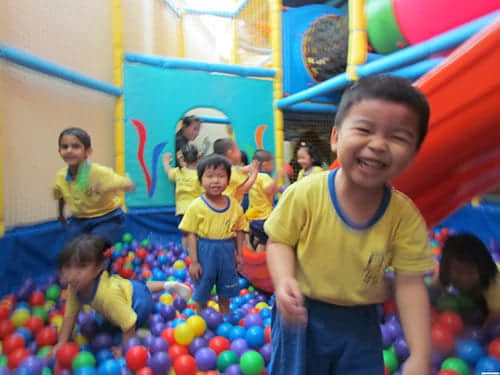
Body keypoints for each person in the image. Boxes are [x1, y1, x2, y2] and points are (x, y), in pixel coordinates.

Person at [264, 75, 435, 375]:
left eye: (398, 137)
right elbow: (279, 241)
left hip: (361, 322)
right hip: (304, 314)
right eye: (364, 129)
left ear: (413, 155)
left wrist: (420, 353)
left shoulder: (404, 217)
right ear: (335, 138)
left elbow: (410, 283)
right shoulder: (305, 194)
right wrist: (283, 281)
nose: (379, 144)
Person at [51, 234, 191, 358]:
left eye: (81, 267)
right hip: (128, 287)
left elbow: (129, 324)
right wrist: (61, 343)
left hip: (139, 304)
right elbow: (70, 315)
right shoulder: (75, 286)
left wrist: (123, 350)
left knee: (131, 308)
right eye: (68, 267)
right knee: (142, 287)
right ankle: (168, 285)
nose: (73, 273)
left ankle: (143, 332)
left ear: (99, 267)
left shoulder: (107, 295)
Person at [179, 154, 248, 314]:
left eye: (221, 176)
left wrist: (239, 254)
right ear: (201, 180)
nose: (215, 181)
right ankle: (200, 318)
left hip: (226, 251)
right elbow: (190, 234)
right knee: (202, 290)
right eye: (209, 176)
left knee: (225, 290)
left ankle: (224, 316)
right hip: (205, 250)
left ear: (228, 180)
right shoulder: (196, 206)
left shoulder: (234, 206)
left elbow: (239, 231)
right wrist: (194, 262)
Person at [53, 127, 135, 244]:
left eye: (76, 146)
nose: (69, 150)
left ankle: (106, 260)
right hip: (79, 219)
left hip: (108, 217)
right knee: (74, 247)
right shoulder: (61, 177)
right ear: (59, 151)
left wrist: (128, 183)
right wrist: (61, 215)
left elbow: (126, 184)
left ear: (88, 152)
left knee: (95, 246)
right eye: (64, 147)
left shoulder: (99, 173)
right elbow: (60, 195)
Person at [437, 233, 499, 326]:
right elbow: (432, 288)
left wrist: (478, 333)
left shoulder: (493, 281)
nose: (464, 278)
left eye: (471, 271)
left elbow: (496, 315)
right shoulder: (446, 274)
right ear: (447, 267)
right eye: (458, 270)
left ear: (483, 269)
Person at [163, 144, 203, 248]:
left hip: (182, 210)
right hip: (196, 210)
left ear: (183, 160)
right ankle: (195, 254)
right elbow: (204, 192)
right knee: (196, 234)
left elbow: (168, 172)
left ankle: (185, 254)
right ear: (198, 159)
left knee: (186, 235)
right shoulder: (199, 175)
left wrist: (166, 162)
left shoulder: (178, 172)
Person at [246, 149, 283, 252]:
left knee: (259, 237)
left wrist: (280, 189)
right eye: (272, 164)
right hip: (264, 216)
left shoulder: (252, 176)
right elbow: (269, 190)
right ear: (265, 164)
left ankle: (254, 247)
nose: (273, 167)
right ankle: (260, 259)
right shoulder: (265, 177)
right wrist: (278, 175)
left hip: (253, 214)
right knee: (265, 241)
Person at [213, 138, 258, 204]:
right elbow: (245, 188)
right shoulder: (230, 171)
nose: (240, 152)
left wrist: (251, 166)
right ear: (230, 153)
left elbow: (240, 170)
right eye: (238, 150)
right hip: (229, 208)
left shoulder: (223, 168)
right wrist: (254, 173)